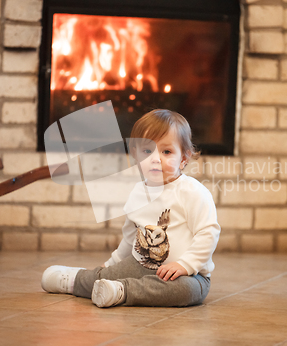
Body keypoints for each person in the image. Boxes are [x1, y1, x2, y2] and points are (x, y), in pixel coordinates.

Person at [41, 109, 221, 308]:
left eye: (166, 152)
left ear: (184, 158)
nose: (155, 158)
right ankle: (74, 280)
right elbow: (130, 238)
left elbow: (208, 232)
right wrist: (111, 264)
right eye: (147, 151)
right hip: (140, 265)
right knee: (107, 275)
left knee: (186, 291)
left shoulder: (193, 192)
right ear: (135, 156)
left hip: (188, 275)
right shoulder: (138, 193)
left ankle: (121, 291)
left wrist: (185, 265)